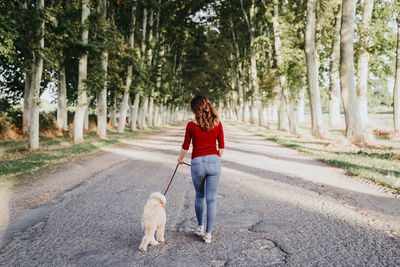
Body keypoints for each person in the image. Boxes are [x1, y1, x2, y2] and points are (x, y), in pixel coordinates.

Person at [178, 95, 224, 244]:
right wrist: (215, 159)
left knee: (199, 195)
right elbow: (221, 147)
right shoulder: (217, 123)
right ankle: (208, 234)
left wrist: (180, 159)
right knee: (211, 199)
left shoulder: (191, 125)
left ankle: (200, 227)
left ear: (195, 109)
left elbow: (186, 146)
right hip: (214, 161)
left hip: (197, 162)